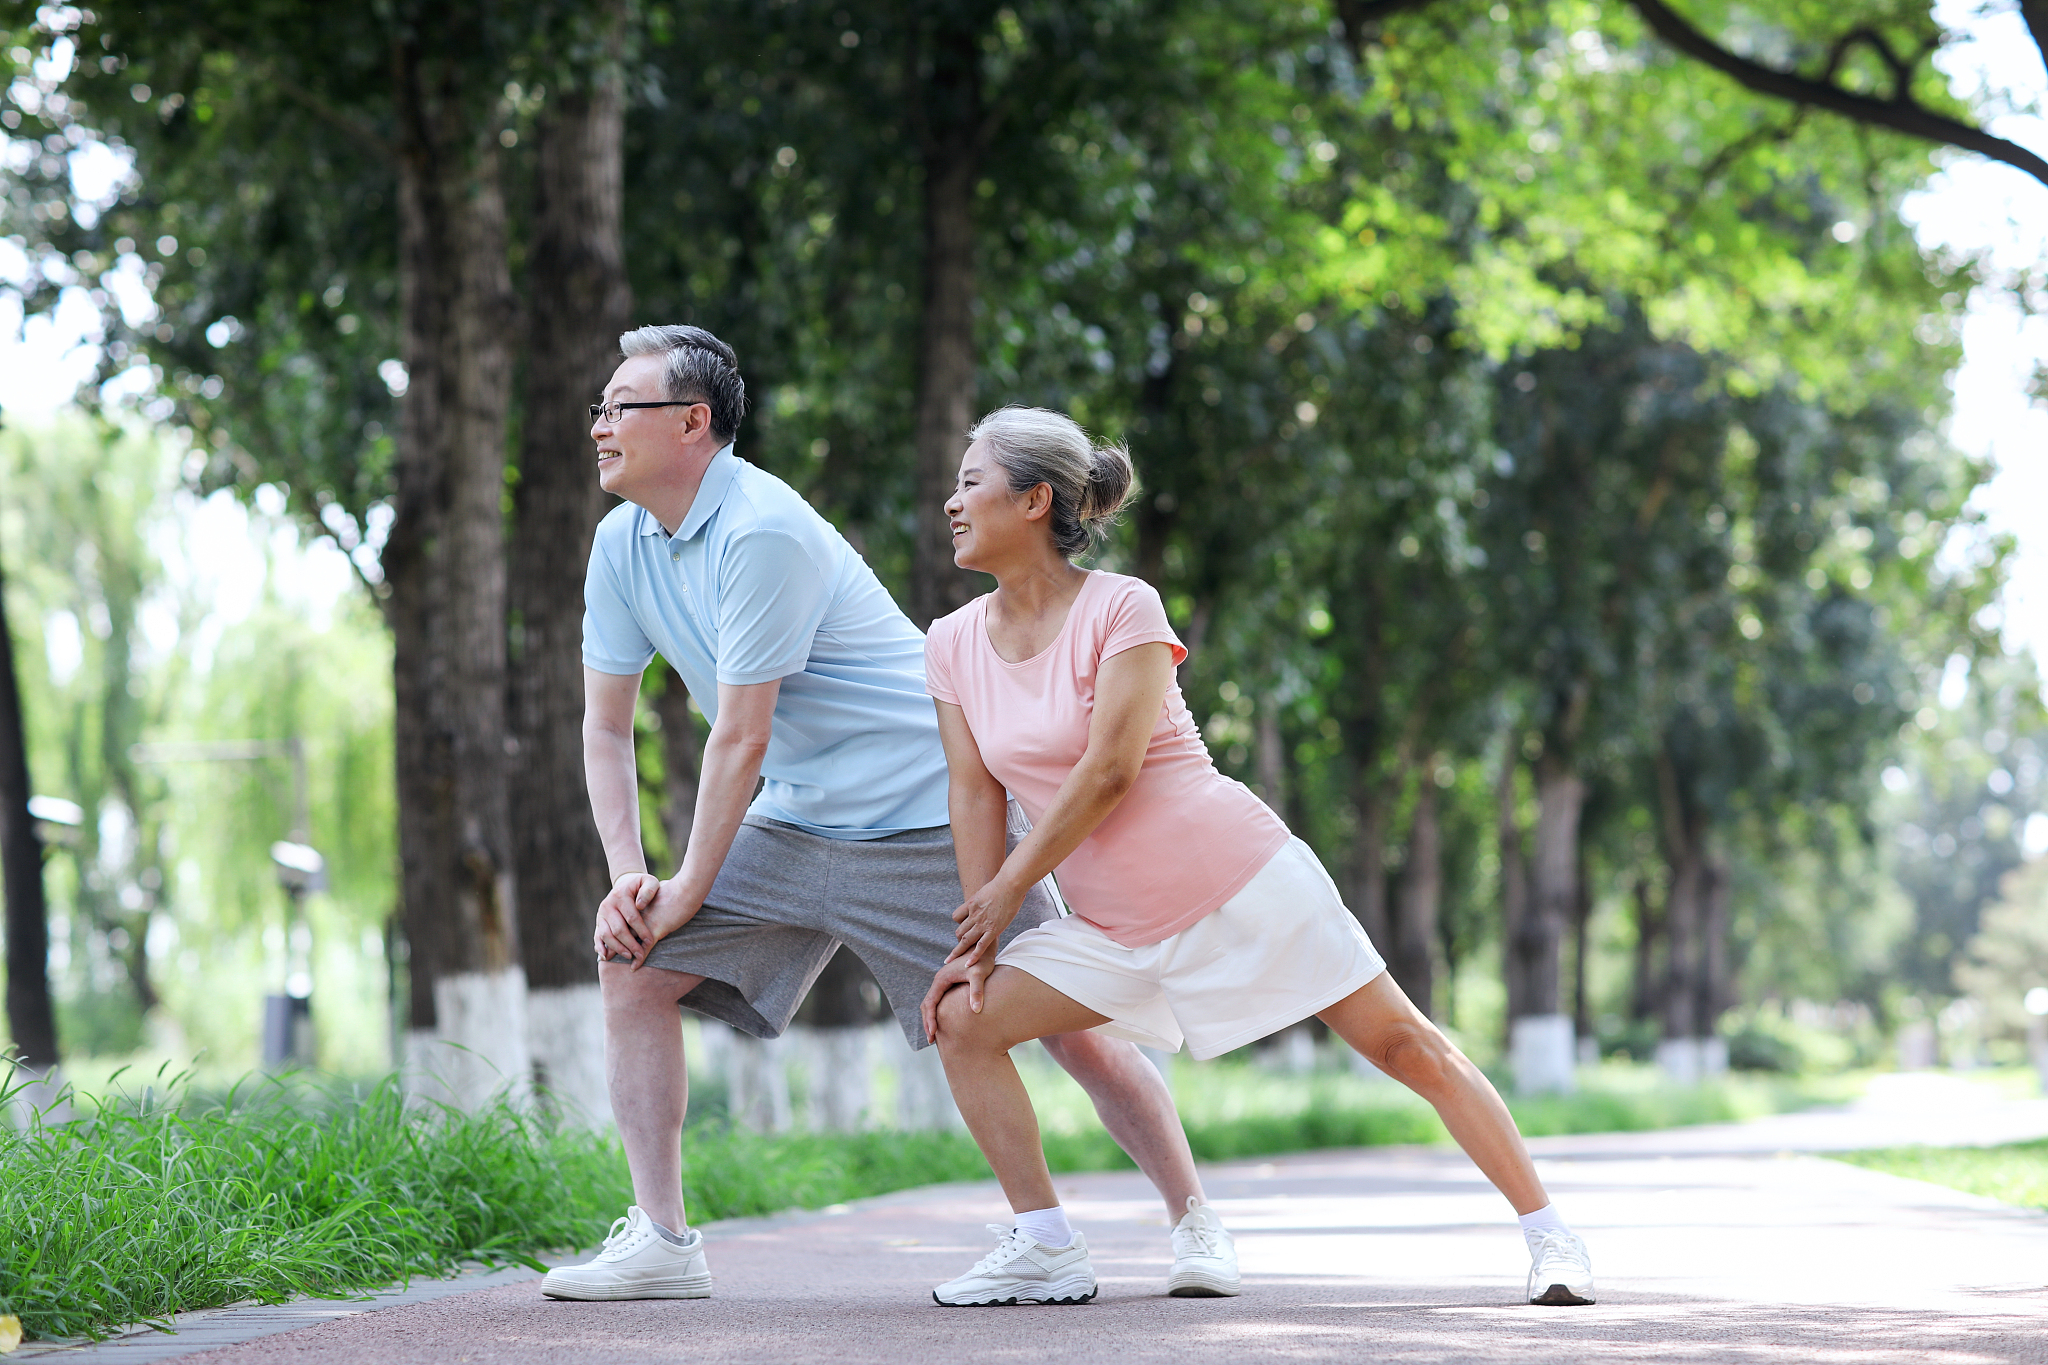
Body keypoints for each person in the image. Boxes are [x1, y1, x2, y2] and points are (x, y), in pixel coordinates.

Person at [539, 327, 1238, 1303]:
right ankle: (662, 1240)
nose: (599, 427)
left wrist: (685, 883)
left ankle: (1194, 1223)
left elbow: (739, 735)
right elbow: (604, 730)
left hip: (927, 815)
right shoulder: (621, 545)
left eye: (621, 407)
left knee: (1067, 1027)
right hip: (792, 822)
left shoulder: (762, 529)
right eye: (600, 409)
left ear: (691, 422)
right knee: (633, 966)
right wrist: (630, 878)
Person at [917, 405, 1596, 1309]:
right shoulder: (951, 641)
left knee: (1407, 1046)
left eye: (971, 482)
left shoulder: (1125, 607)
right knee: (962, 1015)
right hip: (1110, 926)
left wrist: (1008, 890)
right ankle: (1044, 1241)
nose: (953, 502)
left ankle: (1551, 1235)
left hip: (1236, 879)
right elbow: (975, 791)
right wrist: (976, 939)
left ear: (1036, 499)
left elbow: (1111, 770)